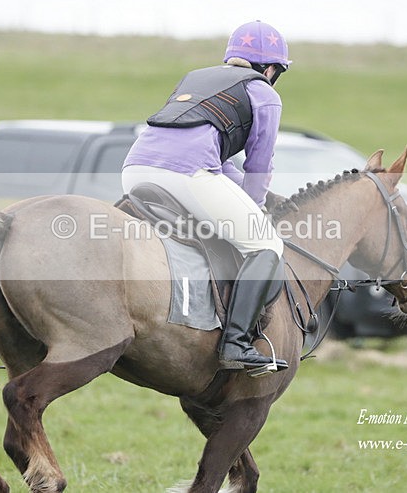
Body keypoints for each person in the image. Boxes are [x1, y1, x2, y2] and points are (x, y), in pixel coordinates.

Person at [122, 20, 291, 375]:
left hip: (134, 168)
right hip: (186, 174)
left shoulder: (195, 78)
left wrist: (241, 198)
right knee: (266, 245)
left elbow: (219, 160)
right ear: (271, 69)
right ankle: (236, 344)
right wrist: (257, 209)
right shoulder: (264, 93)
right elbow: (259, 163)